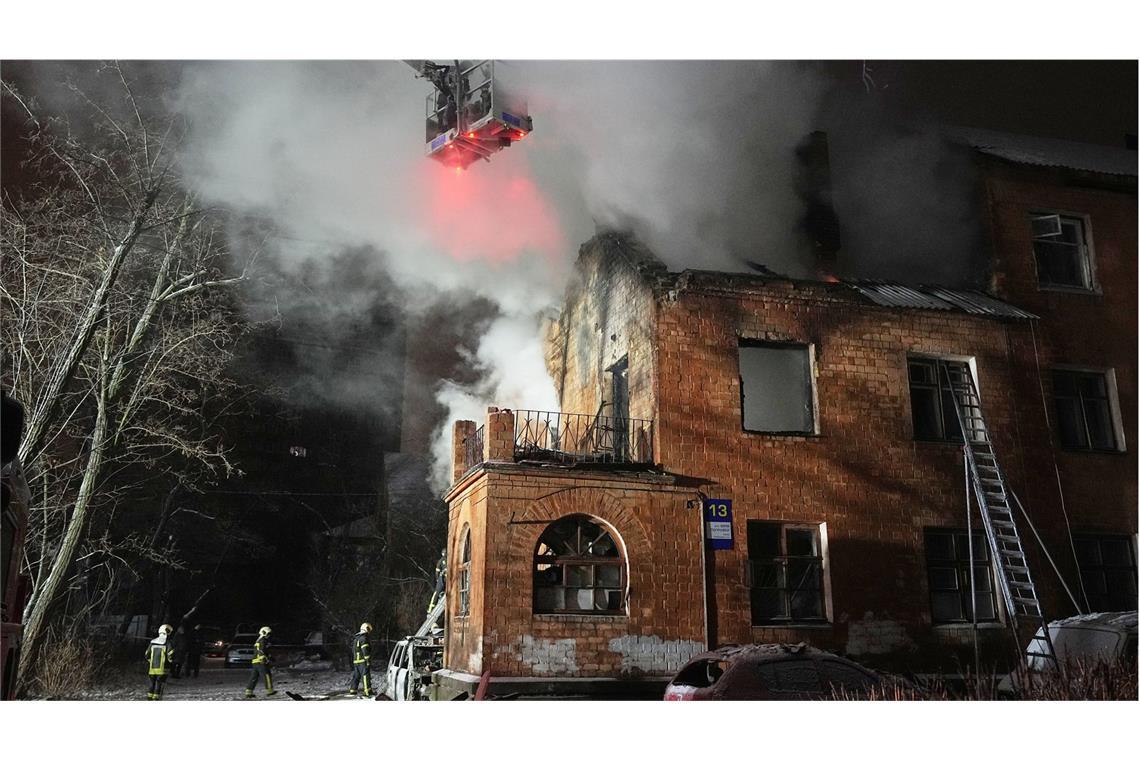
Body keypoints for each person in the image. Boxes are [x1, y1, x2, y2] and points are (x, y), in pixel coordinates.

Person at [244, 626, 276, 698]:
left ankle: (249, 692)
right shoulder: (263, 640)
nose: (269, 636)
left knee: (254, 677)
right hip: (260, 661)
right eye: (268, 634)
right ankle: (270, 691)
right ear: (264, 633)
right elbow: (262, 651)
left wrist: (269, 657)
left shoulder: (258, 640)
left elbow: (261, 650)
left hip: (255, 661)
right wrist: (265, 659)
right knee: (267, 675)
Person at [145, 624, 174, 700]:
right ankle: (156, 698)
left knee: (151, 683)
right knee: (159, 683)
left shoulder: (152, 642)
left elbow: (146, 655)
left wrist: (151, 661)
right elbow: (170, 654)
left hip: (152, 669)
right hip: (162, 669)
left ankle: (149, 697)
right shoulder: (167, 643)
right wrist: (170, 662)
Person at [348, 623, 373, 698]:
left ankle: (353, 690)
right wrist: (367, 660)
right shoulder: (364, 638)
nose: (369, 632)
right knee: (365, 676)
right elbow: (365, 650)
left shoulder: (357, 638)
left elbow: (354, 650)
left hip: (356, 661)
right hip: (363, 661)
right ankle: (367, 691)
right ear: (366, 628)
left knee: (356, 676)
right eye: (368, 629)